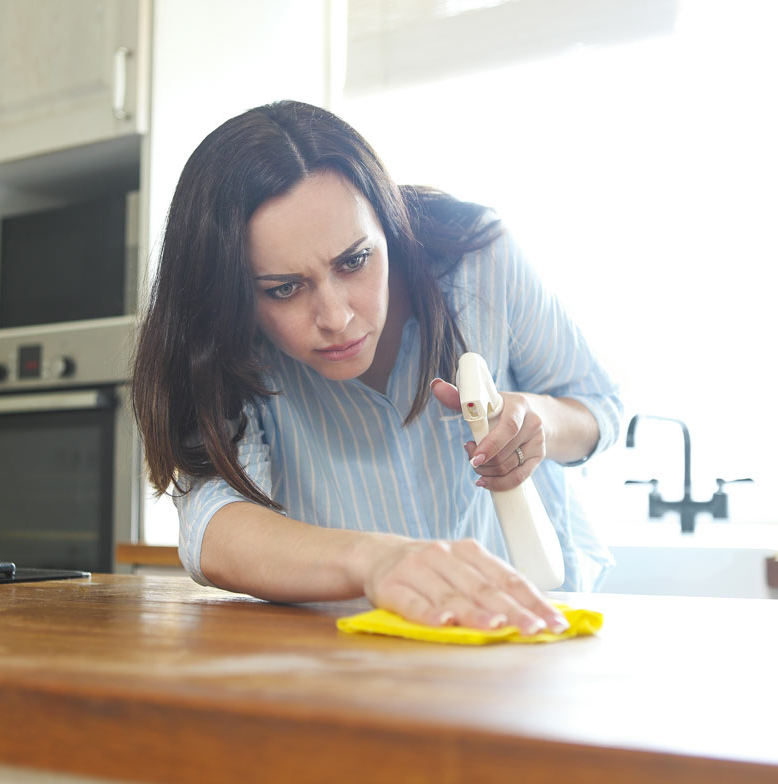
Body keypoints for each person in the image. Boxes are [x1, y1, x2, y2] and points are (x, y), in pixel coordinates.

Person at [132, 100, 622, 635]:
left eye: (355, 261)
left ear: (389, 225)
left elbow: (600, 407)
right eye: (285, 289)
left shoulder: (479, 257)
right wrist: (376, 560)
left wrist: (537, 420)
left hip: (536, 632)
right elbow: (213, 529)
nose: (337, 318)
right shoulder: (224, 346)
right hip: (351, 653)